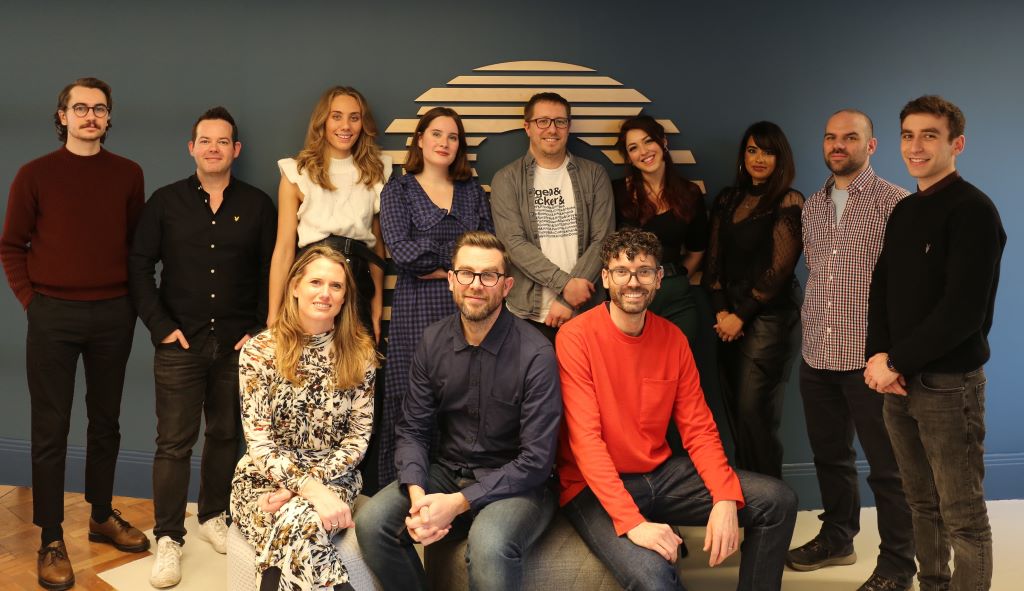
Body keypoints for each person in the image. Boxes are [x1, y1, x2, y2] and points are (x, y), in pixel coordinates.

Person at [557, 228, 797, 591]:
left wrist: (724, 495)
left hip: (660, 474)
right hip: (592, 487)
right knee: (654, 579)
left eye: (643, 271)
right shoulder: (575, 337)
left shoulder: (672, 339)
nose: (632, 282)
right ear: (605, 278)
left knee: (778, 501)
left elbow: (699, 428)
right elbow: (586, 442)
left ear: (658, 279)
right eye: (621, 271)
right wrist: (633, 523)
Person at [1, 77, 149, 590]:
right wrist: (32, 302)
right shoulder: (34, 174)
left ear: (108, 117)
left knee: (106, 422)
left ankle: (102, 515)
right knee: (51, 428)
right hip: (53, 315)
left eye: (99, 108)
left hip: (112, 315)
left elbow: (135, 248)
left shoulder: (128, 174)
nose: (90, 116)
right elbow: (11, 245)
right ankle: (50, 538)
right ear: (62, 116)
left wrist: (128, 306)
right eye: (80, 108)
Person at [356, 231, 562, 591]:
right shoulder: (433, 341)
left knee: (489, 546)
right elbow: (413, 429)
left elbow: (536, 461)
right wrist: (419, 498)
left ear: (507, 286)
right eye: (466, 273)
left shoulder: (536, 354)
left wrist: (457, 504)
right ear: (451, 280)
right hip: (448, 472)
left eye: (489, 275)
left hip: (517, 484)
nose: (476, 285)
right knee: (372, 522)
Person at [128, 107, 277, 587]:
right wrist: (160, 325)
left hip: (238, 345)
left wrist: (259, 327)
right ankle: (169, 537)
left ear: (236, 150)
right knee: (173, 444)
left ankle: (214, 514)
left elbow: (271, 270)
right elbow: (138, 266)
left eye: (223, 141)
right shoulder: (165, 202)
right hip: (180, 343)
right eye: (205, 141)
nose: (214, 148)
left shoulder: (258, 205)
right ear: (191, 148)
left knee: (226, 435)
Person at [865, 96, 1005, 591]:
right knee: (921, 503)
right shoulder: (905, 210)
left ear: (956, 144)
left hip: (947, 387)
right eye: (908, 135)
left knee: (962, 514)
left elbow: (962, 313)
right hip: (899, 383)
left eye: (929, 135)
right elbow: (881, 289)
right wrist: (879, 357)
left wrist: (895, 361)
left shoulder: (973, 211)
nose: (916, 146)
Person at [785, 109, 915, 591]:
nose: (838, 145)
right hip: (818, 356)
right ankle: (838, 538)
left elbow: (910, 289)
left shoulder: (896, 204)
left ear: (871, 145)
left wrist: (895, 357)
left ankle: (898, 566)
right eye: (830, 137)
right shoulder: (812, 207)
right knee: (830, 457)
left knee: (889, 469)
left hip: (870, 362)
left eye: (850, 137)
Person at [230, 246, 379, 591]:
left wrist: (312, 488)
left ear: (345, 297)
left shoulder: (361, 355)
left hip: (334, 476)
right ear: (295, 286)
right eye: (316, 282)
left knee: (299, 519)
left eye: (336, 286)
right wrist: (308, 489)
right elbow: (259, 443)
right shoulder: (259, 351)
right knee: (304, 522)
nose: (325, 293)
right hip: (263, 479)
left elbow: (357, 439)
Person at [377, 106, 494, 486]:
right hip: (416, 308)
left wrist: (441, 264)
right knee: (413, 398)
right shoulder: (399, 190)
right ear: (420, 139)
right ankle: (404, 488)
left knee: (466, 396)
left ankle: (459, 489)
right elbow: (403, 253)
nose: (444, 142)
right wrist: (461, 266)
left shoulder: (472, 192)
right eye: (437, 134)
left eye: (453, 137)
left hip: (469, 308)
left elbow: (490, 250)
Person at [701, 121, 804, 479]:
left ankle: (773, 502)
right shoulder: (728, 199)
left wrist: (740, 316)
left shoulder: (789, 200)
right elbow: (713, 264)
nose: (759, 158)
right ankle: (752, 496)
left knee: (754, 413)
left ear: (781, 158)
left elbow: (780, 270)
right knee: (735, 413)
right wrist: (722, 313)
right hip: (727, 319)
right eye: (752, 150)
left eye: (768, 151)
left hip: (769, 319)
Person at [267, 86, 391, 340]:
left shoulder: (376, 172)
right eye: (336, 116)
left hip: (358, 281)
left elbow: (377, 248)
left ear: (363, 124)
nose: (345, 126)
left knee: (357, 362)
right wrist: (273, 313)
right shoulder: (297, 172)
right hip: (311, 280)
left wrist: (377, 307)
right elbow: (284, 249)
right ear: (322, 121)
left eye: (354, 118)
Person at [490, 92, 614, 343]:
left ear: (569, 126)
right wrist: (566, 287)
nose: (552, 129)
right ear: (527, 127)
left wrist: (568, 300)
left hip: (586, 310)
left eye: (560, 121)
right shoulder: (506, 179)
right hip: (528, 314)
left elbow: (604, 240)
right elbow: (513, 243)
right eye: (542, 121)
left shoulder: (595, 175)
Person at [614, 115, 708, 339]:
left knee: (678, 359)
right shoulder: (616, 192)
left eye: (648, 141)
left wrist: (673, 279)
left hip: (676, 298)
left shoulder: (690, 193)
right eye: (633, 148)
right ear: (629, 158)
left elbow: (696, 252)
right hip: (630, 297)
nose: (643, 151)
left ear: (663, 142)